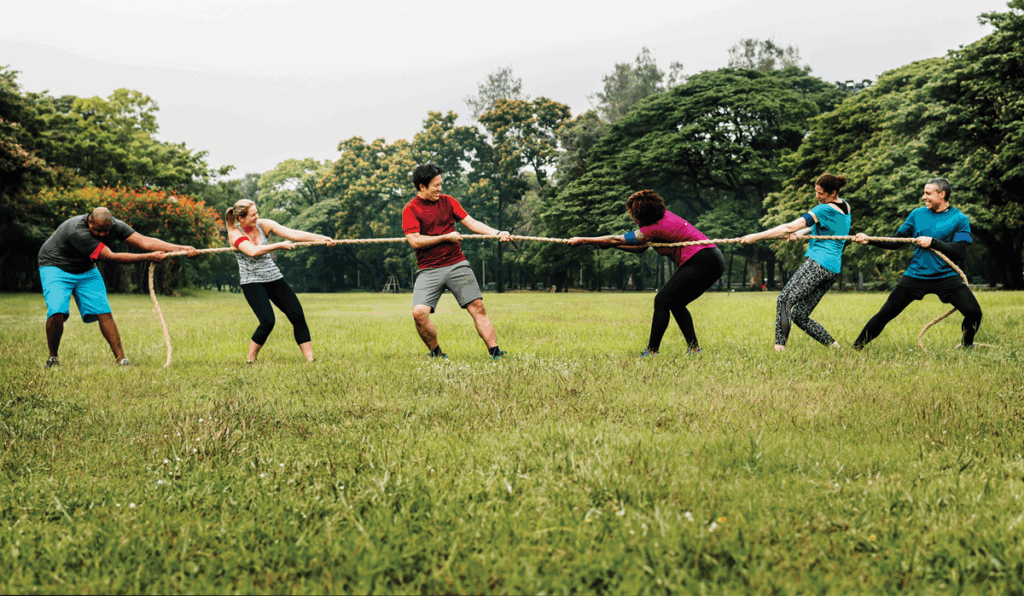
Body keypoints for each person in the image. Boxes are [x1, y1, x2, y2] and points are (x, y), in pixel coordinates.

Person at [569, 189, 725, 356]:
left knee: (662, 300)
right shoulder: (664, 218)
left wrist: (584, 240)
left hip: (702, 260)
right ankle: (694, 349)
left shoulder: (656, 228)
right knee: (675, 303)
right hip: (711, 260)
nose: (634, 220)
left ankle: (651, 352)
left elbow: (616, 238)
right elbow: (640, 248)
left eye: (635, 216)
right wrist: (611, 245)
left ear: (643, 216)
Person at [38, 207, 198, 367]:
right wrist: (149, 257)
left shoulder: (115, 226)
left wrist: (180, 248)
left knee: (103, 311)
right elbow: (110, 257)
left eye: (105, 231)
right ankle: (53, 357)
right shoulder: (77, 232)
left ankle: (121, 360)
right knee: (57, 308)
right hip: (55, 266)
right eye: (98, 230)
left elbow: (144, 241)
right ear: (89, 221)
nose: (102, 234)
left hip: (85, 268)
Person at [851, 178, 982, 349]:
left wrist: (933, 242)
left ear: (941, 194)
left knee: (973, 313)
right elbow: (897, 241)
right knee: (885, 314)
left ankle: (967, 346)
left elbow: (961, 252)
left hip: (946, 277)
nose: (924, 197)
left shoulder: (959, 219)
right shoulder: (917, 214)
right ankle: (855, 349)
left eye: (928, 193)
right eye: (924, 193)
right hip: (916, 275)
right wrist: (869, 240)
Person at [402, 163, 511, 360]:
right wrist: (446, 237)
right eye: (435, 185)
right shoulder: (410, 209)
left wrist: (497, 233)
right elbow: (415, 241)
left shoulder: (448, 202)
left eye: (440, 184)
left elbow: (472, 223)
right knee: (419, 313)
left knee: (477, 306)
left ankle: (496, 353)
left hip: (456, 263)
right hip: (429, 269)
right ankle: (437, 354)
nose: (439, 188)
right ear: (421, 187)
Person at [740, 173, 851, 351]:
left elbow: (788, 227)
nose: (817, 196)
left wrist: (756, 237)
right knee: (799, 315)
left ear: (833, 193)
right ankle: (835, 348)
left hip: (818, 264)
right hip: (832, 270)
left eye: (821, 193)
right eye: (816, 192)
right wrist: (801, 234)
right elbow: (824, 227)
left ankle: (779, 349)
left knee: (784, 300)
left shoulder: (823, 209)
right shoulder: (845, 206)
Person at [224, 199, 335, 364]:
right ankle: (250, 361)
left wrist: (321, 238)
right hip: (252, 281)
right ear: (241, 218)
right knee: (268, 321)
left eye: (257, 213)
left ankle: (311, 360)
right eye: (252, 215)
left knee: (297, 315)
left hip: (273, 277)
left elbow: (292, 234)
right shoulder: (234, 233)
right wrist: (278, 246)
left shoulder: (264, 225)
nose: (257, 217)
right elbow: (253, 251)